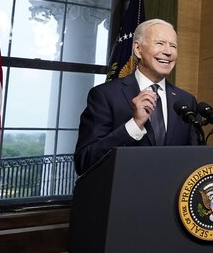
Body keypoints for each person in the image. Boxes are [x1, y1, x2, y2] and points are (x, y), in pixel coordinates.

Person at [74, 18, 201, 175]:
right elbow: (84, 162)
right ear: (138, 49)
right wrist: (134, 125)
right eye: (160, 43)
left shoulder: (186, 101)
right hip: (124, 197)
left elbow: (196, 161)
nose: (168, 51)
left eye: (173, 46)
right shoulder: (105, 95)